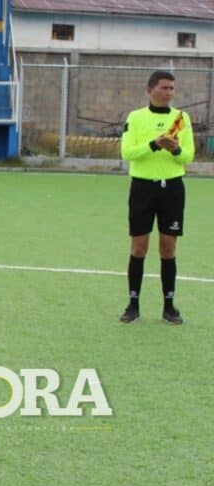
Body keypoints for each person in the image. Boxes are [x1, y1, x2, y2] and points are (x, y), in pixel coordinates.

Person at [118, 70, 194, 324]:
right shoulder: (135, 117)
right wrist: (154, 144)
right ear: (150, 90)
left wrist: (176, 149)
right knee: (139, 247)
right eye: (164, 88)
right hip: (142, 188)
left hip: (172, 188)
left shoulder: (181, 119)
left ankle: (169, 306)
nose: (169, 92)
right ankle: (133, 304)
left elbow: (188, 157)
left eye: (172, 88)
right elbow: (128, 152)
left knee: (168, 247)